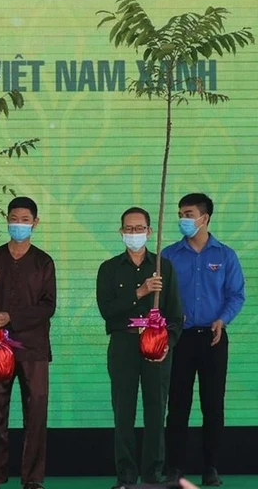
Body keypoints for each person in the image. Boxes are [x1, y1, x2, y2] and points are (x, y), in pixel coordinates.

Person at [0, 197, 56, 489]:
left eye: (25, 219)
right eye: (13, 218)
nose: (18, 224)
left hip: (34, 348)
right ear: (6, 220)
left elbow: (48, 306)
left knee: (36, 412)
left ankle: (32, 479)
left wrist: (12, 317)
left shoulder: (44, 261)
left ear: (35, 222)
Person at [97, 207, 183, 488]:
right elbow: (108, 310)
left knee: (156, 409)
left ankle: (153, 474)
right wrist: (140, 292)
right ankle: (125, 476)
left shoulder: (163, 267)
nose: (134, 234)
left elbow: (176, 314)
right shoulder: (109, 268)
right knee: (124, 410)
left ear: (149, 231)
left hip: (156, 347)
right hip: (123, 344)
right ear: (121, 231)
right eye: (129, 229)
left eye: (140, 228)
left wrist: (167, 342)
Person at [162, 194, 246, 487]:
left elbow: (237, 295)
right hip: (179, 339)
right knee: (178, 405)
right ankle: (174, 467)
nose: (182, 219)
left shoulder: (225, 255)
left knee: (213, 405)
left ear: (204, 218)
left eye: (188, 213)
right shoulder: (169, 255)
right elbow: (160, 297)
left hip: (213, 337)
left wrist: (223, 319)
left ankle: (210, 467)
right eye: (180, 213)